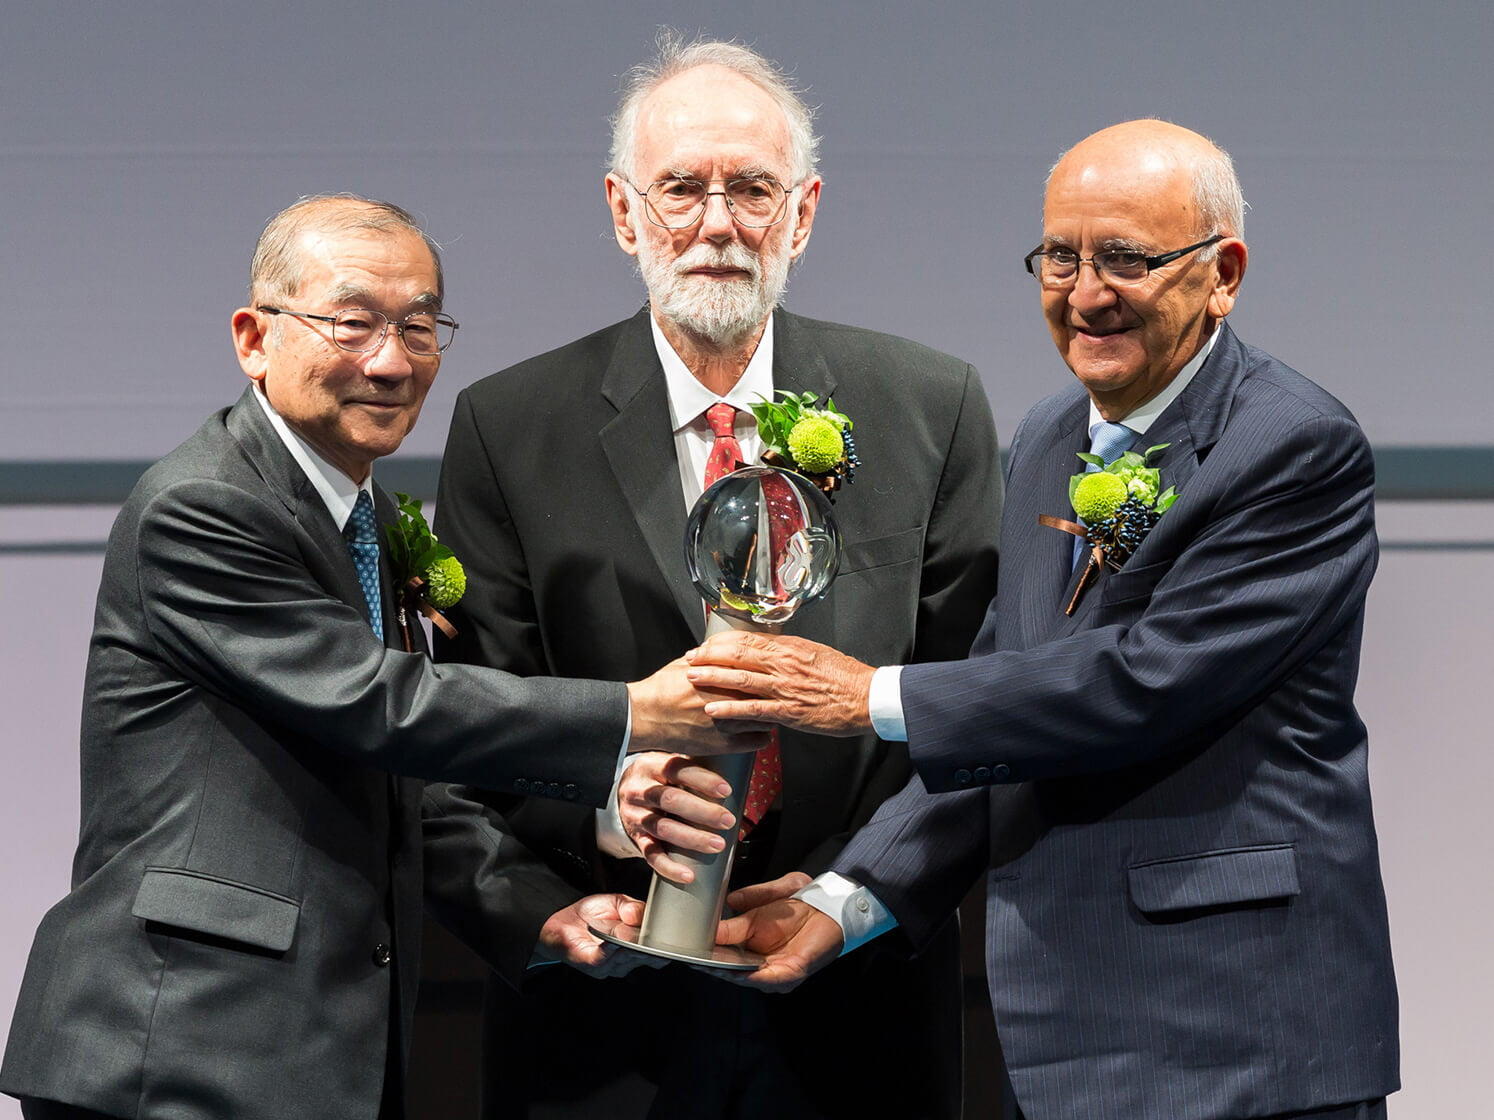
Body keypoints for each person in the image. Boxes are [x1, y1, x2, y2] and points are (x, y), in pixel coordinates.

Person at [693, 121, 1400, 1120]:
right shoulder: (1044, 437)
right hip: (1069, 1037)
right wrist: (844, 901)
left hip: (1241, 1038)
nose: (1085, 292)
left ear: (1224, 272)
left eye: (1125, 258)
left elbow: (1143, 681)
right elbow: (1007, 709)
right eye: (1060, 256)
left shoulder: (1294, 445)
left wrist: (866, 697)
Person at [0, 195, 758, 1120]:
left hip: (306, 1048)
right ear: (253, 337)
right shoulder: (203, 506)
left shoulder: (375, 522)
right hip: (175, 1043)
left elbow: (403, 777)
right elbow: (384, 705)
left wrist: (536, 910)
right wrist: (638, 713)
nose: (392, 361)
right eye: (352, 322)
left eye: (420, 326)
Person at [428, 34, 1002, 1120]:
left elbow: (978, 710)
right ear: (623, 211)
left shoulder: (932, 407)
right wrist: (610, 806)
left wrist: (851, 895)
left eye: (752, 188)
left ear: (805, 211)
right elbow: (467, 723)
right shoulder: (510, 427)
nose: (717, 223)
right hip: (603, 1031)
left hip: (861, 1021)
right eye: (682, 187)